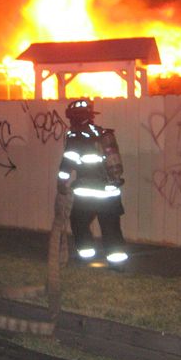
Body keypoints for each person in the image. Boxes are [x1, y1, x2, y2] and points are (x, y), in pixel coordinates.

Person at [57, 98, 129, 268]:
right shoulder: (102, 133)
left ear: (73, 117)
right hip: (111, 193)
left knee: (79, 223)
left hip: (88, 195)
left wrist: (61, 183)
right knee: (111, 227)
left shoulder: (75, 137)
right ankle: (117, 263)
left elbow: (68, 164)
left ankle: (87, 256)